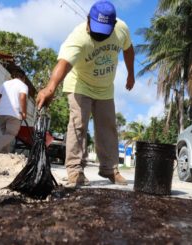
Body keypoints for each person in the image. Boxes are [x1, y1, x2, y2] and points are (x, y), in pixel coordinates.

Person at [36, 0, 135, 187]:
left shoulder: (121, 29)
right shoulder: (78, 37)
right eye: (95, 28)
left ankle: (109, 169)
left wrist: (131, 73)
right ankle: (75, 171)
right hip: (79, 84)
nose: (97, 34)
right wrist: (50, 88)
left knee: (108, 128)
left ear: (113, 26)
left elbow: (128, 50)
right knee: (78, 125)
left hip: (105, 87)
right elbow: (64, 63)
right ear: (88, 19)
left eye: (102, 31)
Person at [0, 70, 28, 154]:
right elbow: (22, 98)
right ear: (23, 78)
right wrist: (24, 112)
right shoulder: (23, 85)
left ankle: (3, 155)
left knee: (5, 136)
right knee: (10, 134)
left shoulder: (5, 84)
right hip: (14, 114)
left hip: (2, 113)